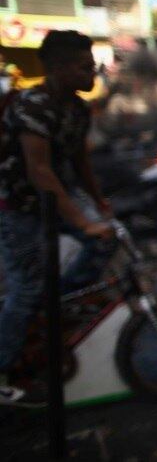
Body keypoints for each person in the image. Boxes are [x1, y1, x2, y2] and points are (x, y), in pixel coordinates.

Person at [0, 30, 114, 407]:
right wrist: (83, 221)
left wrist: (99, 205)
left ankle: (59, 305)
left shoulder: (78, 109)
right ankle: (4, 368)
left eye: (93, 64)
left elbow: (80, 162)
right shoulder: (31, 106)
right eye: (84, 67)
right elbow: (40, 172)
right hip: (18, 207)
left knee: (106, 240)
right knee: (26, 289)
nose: (93, 73)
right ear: (58, 68)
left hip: (57, 200)